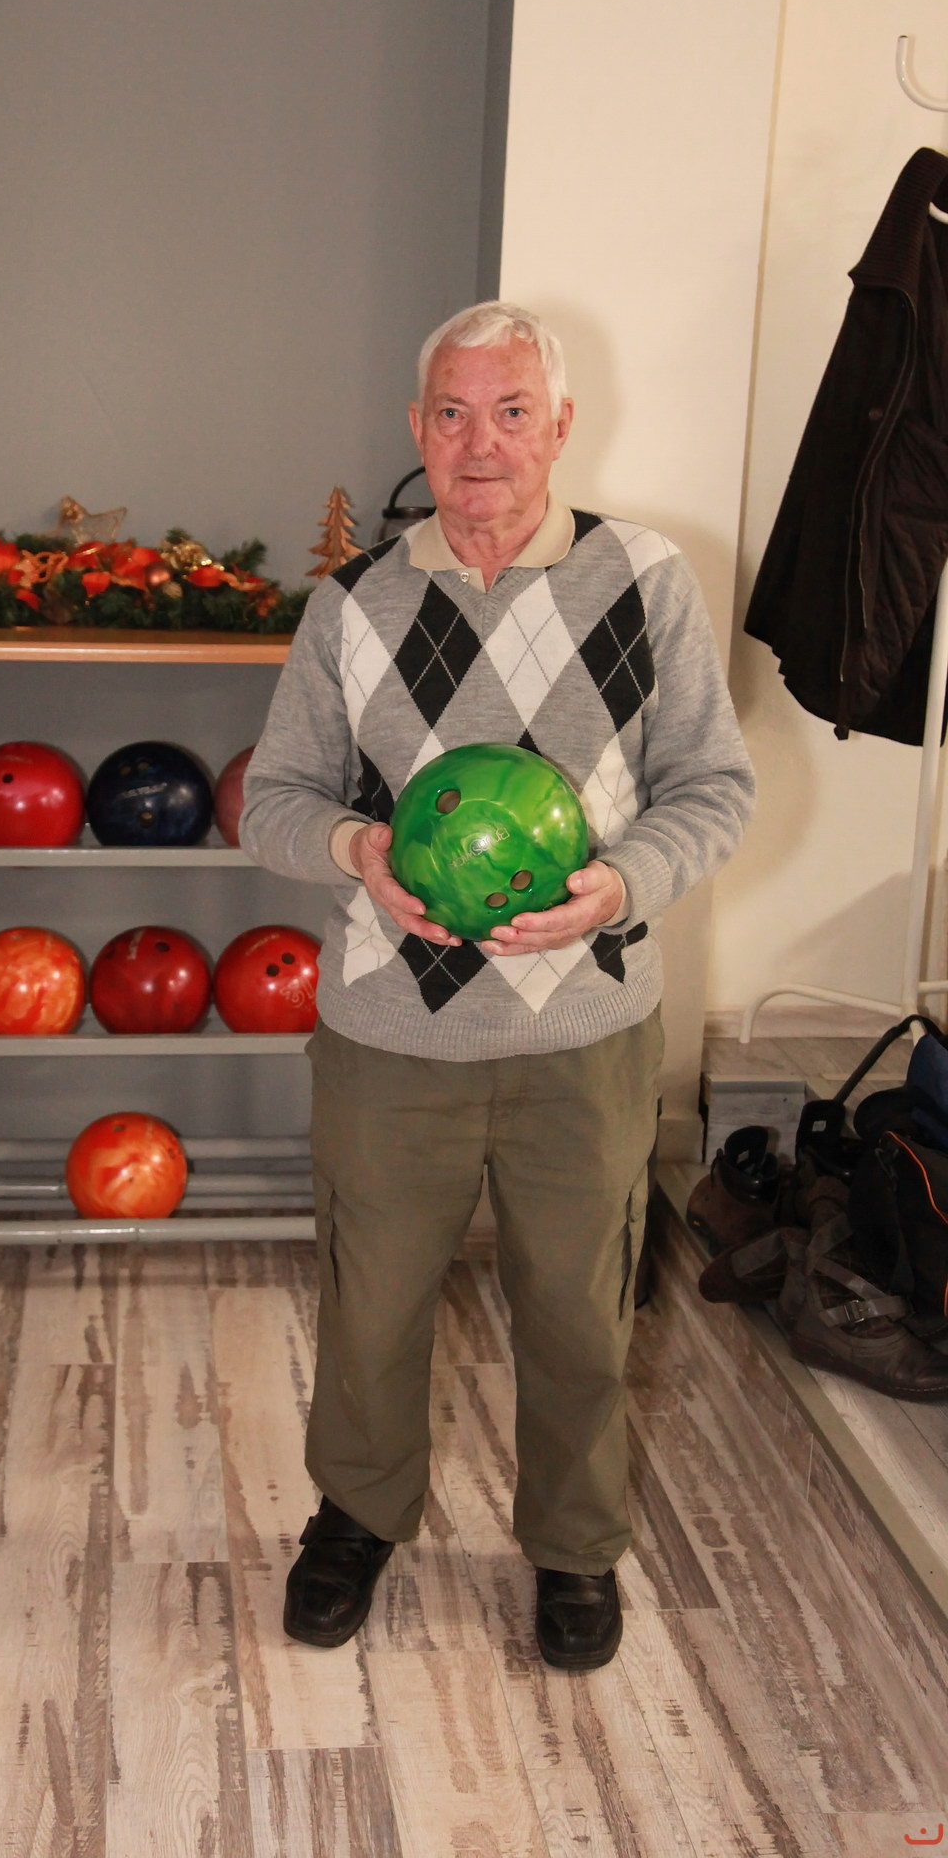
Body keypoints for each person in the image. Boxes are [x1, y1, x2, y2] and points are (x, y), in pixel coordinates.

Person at [239, 302, 755, 1671]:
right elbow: (272, 800)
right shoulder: (352, 602)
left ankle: (577, 1547)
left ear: (560, 425)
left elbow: (715, 787)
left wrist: (621, 884)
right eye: (455, 414)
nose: (483, 444)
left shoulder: (645, 579)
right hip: (387, 1029)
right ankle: (357, 1516)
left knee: (583, 1307)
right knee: (371, 1300)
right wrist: (356, 848)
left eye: (513, 412)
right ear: (419, 430)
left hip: (584, 1030)